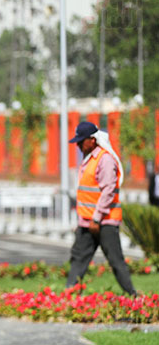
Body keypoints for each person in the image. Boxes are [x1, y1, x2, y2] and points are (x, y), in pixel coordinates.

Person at [66, 121, 137, 295]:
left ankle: (133, 296)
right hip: (88, 222)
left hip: (104, 221)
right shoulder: (89, 159)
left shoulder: (104, 160)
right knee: (78, 258)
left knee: (116, 261)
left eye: (81, 141)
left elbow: (108, 191)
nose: (78, 145)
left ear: (92, 140)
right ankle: (70, 296)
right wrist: (84, 220)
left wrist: (96, 218)